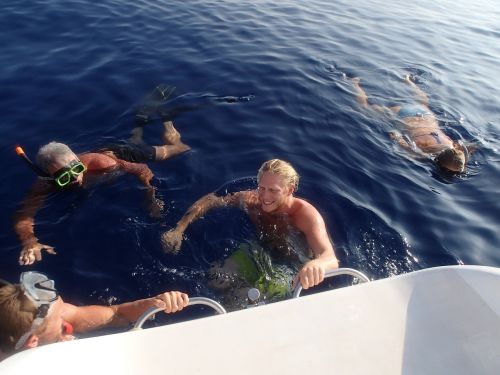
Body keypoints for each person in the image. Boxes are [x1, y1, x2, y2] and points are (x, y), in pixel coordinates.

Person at [14, 85, 191, 266]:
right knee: (136, 140)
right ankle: (139, 123)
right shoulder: (44, 185)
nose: (75, 178)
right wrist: (29, 241)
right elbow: (24, 216)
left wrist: (150, 195)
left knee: (180, 149)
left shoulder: (103, 164)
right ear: (50, 177)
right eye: (64, 177)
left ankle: (166, 120)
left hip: (118, 154)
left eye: (77, 169)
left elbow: (142, 169)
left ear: (77, 159)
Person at [161, 159, 339, 291]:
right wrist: (179, 228)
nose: (265, 197)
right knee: (216, 280)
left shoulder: (305, 215)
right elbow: (212, 200)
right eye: (262, 188)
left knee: (252, 301)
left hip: (292, 264)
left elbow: (330, 258)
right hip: (260, 249)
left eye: (273, 190)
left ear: (290, 189)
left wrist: (317, 265)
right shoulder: (252, 199)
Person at [0, 271, 189, 360]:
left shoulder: (56, 314)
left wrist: (154, 303)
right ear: (32, 341)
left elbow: (116, 314)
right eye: (59, 321)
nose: (66, 323)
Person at [351, 75, 474, 173]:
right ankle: (354, 83)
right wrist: (395, 134)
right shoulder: (422, 152)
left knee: (423, 101)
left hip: (425, 114)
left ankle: (408, 80)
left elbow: (470, 148)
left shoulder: (453, 145)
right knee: (364, 108)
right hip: (404, 117)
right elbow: (398, 139)